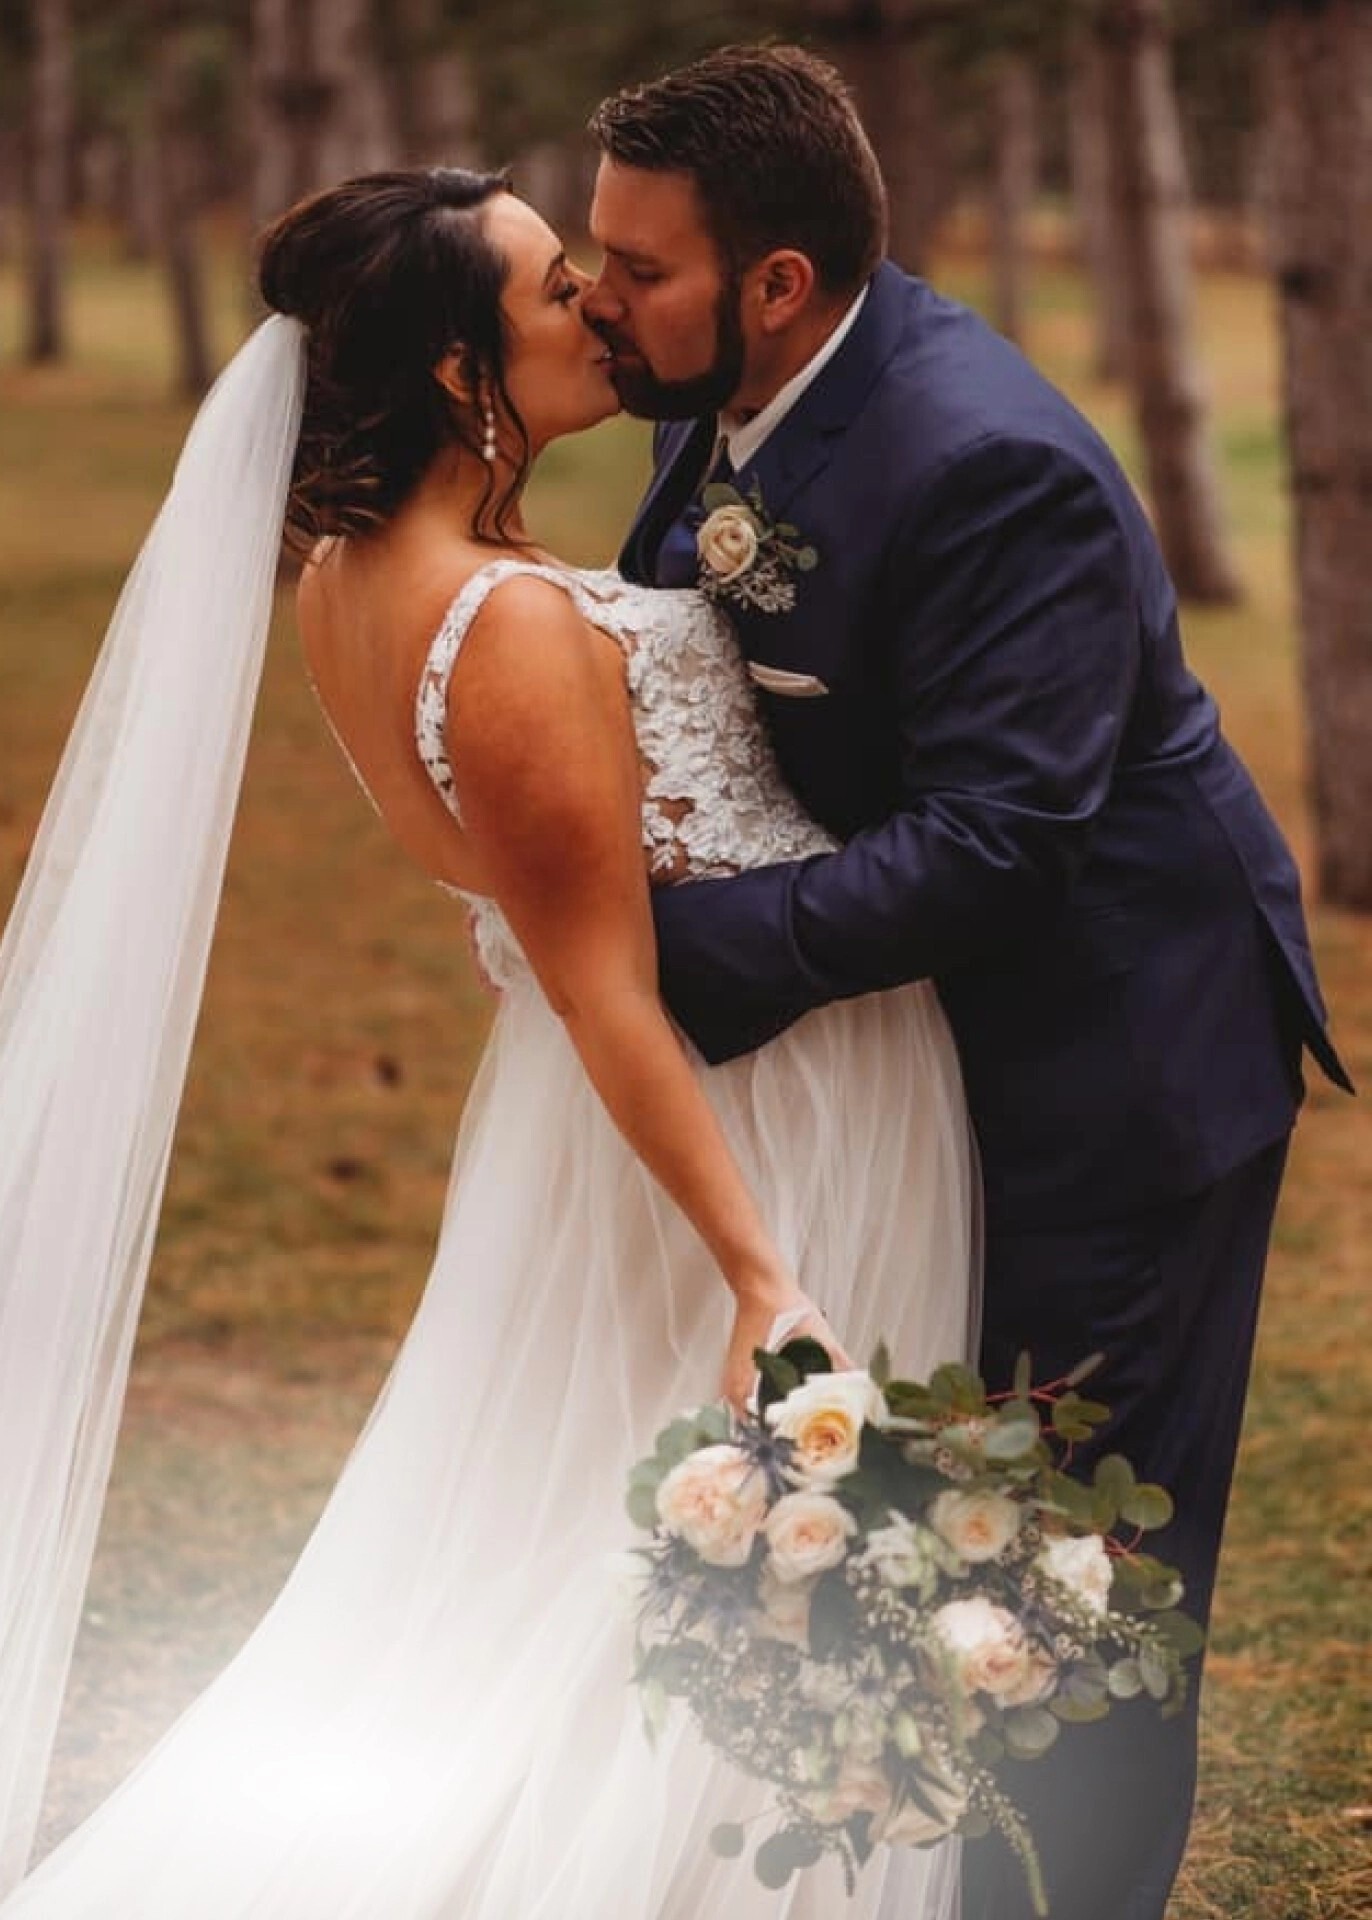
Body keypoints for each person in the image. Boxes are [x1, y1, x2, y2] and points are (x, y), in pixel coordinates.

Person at [0, 167, 975, 1916]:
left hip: (598, 1114)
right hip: (731, 1116)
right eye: (553, 293)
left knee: (596, 1561)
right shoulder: (507, 622)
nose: (600, 305)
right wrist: (763, 1274)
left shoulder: (348, 582)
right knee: (686, 1582)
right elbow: (601, 975)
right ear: (462, 375)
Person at [583, 40, 1350, 1920]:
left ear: (777, 285)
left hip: (1123, 1064)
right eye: (592, 257)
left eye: (637, 267)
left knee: (1075, 1571)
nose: (601, 296)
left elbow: (1003, 838)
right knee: (927, 1522)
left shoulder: (989, 462)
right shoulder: (743, 404)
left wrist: (662, 957)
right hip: (949, 1050)